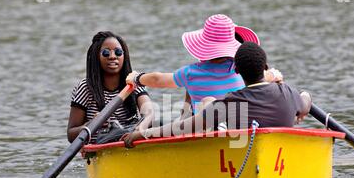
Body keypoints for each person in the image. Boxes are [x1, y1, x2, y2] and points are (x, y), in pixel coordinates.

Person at [123, 42, 311, 147]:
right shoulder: (288, 92)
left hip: (239, 152)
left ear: (236, 70)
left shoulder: (229, 103)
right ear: (265, 67)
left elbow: (180, 128)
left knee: (207, 101)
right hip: (280, 154)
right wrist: (304, 96)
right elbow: (306, 101)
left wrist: (141, 135)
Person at [125, 14, 282, 117]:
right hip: (240, 127)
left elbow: (157, 79)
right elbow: (264, 77)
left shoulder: (191, 73)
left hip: (206, 130)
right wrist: (274, 75)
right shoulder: (240, 69)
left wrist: (137, 77)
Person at [67, 31, 154, 143]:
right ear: (96, 56)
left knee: (159, 124)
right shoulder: (85, 88)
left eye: (118, 52)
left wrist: (138, 130)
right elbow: (71, 134)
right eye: (106, 53)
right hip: (103, 144)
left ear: (124, 56)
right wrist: (92, 124)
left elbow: (149, 113)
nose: (113, 57)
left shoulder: (134, 81)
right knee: (115, 132)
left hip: (131, 138)